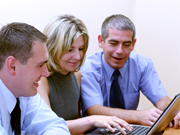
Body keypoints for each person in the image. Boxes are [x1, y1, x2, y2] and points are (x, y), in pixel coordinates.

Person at [37, 14, 133, 135]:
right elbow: (49, 127)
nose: (78, 56)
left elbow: (77, 125)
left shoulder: (76, 75)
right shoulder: (41, 80)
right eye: (70, 49)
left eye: (81, 49)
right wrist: (92, 120)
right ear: (53, 47)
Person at [80, 14, 180, 128]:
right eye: (113, 43)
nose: (120, 51)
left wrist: (172, 111)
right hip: (96, 131)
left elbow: (162, 100)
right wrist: (138, 116)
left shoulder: (142, 64)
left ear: (133, 44)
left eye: (126, 45)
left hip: (129, 129)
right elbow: (95, 110)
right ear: (100, 41)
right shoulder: (88, 68)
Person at [0, 22, 70, 135]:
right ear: (12, 66)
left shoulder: (25, 93)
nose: (46, 73)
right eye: (40, 65)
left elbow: (55, 125)